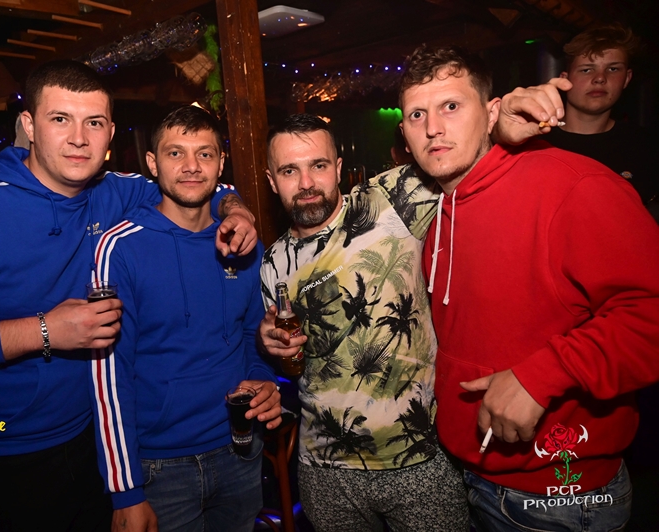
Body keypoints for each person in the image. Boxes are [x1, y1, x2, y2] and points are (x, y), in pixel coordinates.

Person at [0, 60, 257, 531]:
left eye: (94, 123)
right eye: (60, 119)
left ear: (110, 133)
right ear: (29, 125)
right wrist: (42, 331)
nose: (78, 139)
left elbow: (199, 183)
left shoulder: (112, 192)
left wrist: (238, 211)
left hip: (89, 443)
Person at [397, 44, 659, 531]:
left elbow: (650, 315)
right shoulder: (437, 209)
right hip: (469, 474)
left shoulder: (574, 186)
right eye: (417, 114)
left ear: (491, 111)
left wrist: (544, 375)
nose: (433, 127)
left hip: (562, 496)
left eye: (451, 106)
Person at [257, 114, 468, 532]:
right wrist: (273, 347)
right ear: (271, 180)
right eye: (289, 171)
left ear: (338, 168)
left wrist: (507, 116)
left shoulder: (389, 201)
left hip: (418, 455)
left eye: (318, 165)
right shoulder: (273, 263)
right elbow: (296, 364)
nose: (306, 183)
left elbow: (464, 155)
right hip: (324, 468)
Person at [89, 106, 281, 532]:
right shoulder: (120, 248)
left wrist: (263, 379)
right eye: (175, 153)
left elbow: (254, 334)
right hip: (160, 468)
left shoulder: (243, 242)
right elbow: (109, 375)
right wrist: (126, 491)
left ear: (220, 163)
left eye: (204, 154)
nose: (192, 166)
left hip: (240, 450)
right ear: (153, 163)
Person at [497, 24, 657, 214]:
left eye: (613, 69)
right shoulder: (531, 138)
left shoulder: (647, 147)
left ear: (627, 78)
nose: (600, 78)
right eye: (586, 70)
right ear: (566, 78)